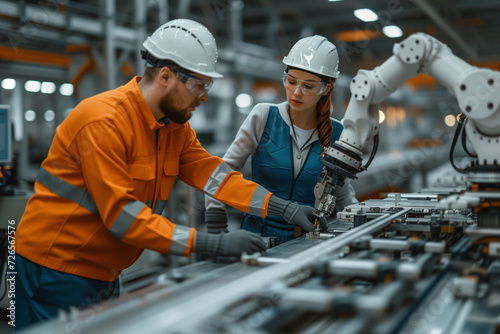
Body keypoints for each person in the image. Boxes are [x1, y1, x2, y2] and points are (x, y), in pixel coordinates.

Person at [14, 19, 323, 329]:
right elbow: (123, 216)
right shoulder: (102, 122)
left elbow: (214, 176)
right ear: (166, 76)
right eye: (200, 85)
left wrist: (283, 207)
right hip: (54, 267)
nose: (204, 96)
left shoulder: (173, 127)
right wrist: (209, 243)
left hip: (101, 270)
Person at [205, 35, 358, 243]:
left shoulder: (337, 132)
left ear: (326, 89)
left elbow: (342, 195)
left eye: (309, 86)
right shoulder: (263, 117)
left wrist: (362, 224)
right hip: (257, 237)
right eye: (291, 81)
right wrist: (216, 225)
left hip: (307, 241)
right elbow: (222, 174)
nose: (296, 92)